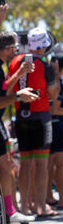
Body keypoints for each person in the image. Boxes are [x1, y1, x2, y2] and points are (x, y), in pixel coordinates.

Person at [0, 31, 37, 224]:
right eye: (14, 47)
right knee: (5, 167)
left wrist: (19, 74)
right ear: (6, 49)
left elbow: (2, 88)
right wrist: (19, 96)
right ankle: (9, 212)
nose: (16, 50)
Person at [8, 27, 60, 217]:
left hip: (21, 117)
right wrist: (54, 72)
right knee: (41, 164)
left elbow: (8, 86)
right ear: (44, 45)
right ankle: (40, 206)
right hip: (41, 116)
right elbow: (53, 93)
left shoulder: (15, 61)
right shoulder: (45, 65)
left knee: (25, 162)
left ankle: (25, 205)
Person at [47, 51, 63, 209]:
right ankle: (53, 197)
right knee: (55, 163)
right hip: (55, 124)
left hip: (57, 124)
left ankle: (53, 196)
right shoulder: (55, 80)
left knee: (54, 163)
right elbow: (55, 108)